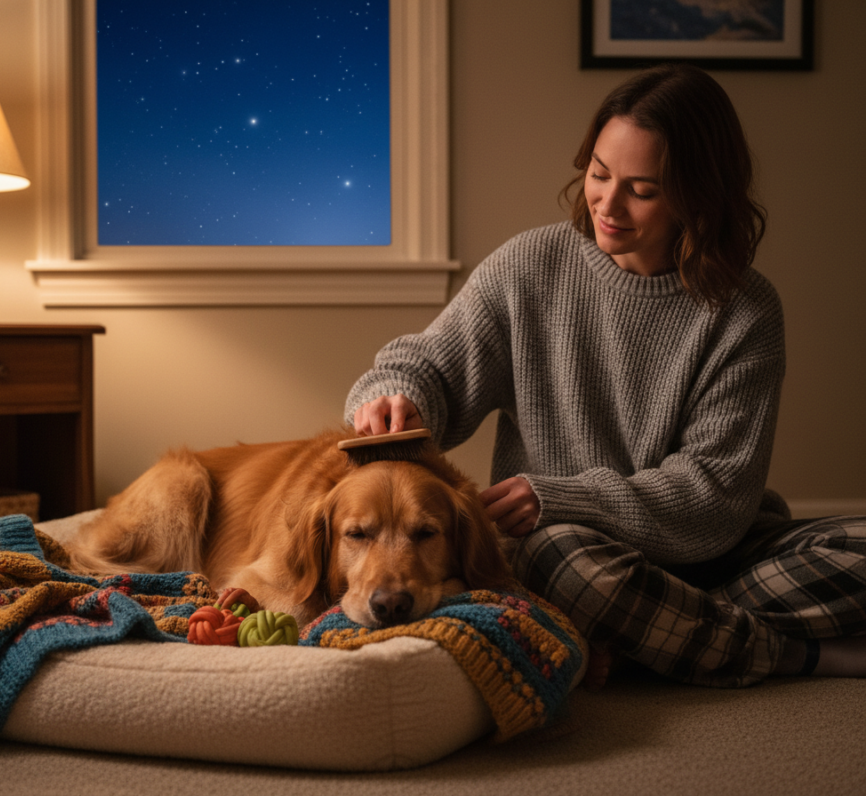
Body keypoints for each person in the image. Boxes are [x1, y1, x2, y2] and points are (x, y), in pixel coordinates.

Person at [345, 63, 866, 689]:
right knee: (559, 562)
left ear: (699, 197)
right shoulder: (529, 266)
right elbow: (428, 364)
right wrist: (393, 395)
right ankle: (788, 655)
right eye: (598, 173)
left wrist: (563, 495)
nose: (607, 205)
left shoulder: (746, 311)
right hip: (574, 555)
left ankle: (664, 636)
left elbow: (715, 500)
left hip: (719, 559)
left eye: (641, 190)